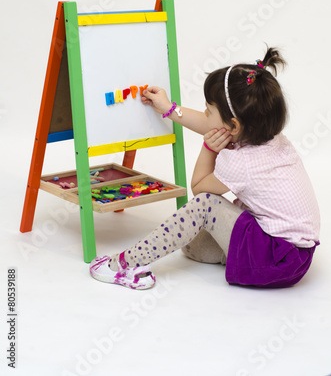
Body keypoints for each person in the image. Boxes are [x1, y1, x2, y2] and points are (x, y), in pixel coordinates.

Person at [90, 47, 320, 290]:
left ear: (233, 126)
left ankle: (126, 264)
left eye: (209, 110)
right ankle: (235, 259)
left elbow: (200, 189)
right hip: (294, 258)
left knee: (204, 206)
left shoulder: (242, 163)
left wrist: (208, 148)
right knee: (191, 246)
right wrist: (169, 109)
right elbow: (212, 126)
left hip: (275, 258)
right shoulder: (267, 136)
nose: (204, 114)